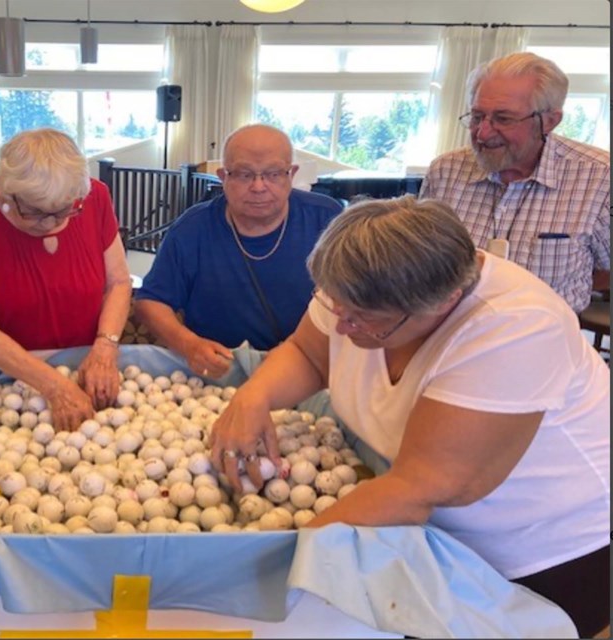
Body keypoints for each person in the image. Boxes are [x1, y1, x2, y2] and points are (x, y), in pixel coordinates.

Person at [209, 196, 609, 637]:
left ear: (442, 303)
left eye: (362, 319)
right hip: (429, 535)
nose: (341, 326)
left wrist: (272, 557)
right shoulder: (364, 274)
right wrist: (253, 398)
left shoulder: (515, 328)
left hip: (541, 550)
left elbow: (419, 487)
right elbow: (309, 352)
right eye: (335, 306)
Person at [0, 128, 131, 432]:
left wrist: (105, 348)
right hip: (2, 376)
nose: (52, 222)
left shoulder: (95, 197)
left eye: (65, 211)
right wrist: (55, 387)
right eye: (36, 213)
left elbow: (118, 282)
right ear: (7, 193)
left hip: (83, 364)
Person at [134, 124, 343, 379]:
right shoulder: (192, 229)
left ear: (292, 174)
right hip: (218, 372)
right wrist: (189, 345)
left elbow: (360, 297)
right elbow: (151, 302)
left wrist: (304, 349)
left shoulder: (328, 220)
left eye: (274, 173)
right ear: (223, 177)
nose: (258, 186)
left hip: (311, 370)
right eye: (244, 174)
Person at [420, 52, 610, 314]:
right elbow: (422, 260)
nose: (483, 133)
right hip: (452, 335)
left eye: (504, 118)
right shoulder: (445, 171)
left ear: (549, 121)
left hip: (543, 340)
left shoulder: (600, 178)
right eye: (477, 117)